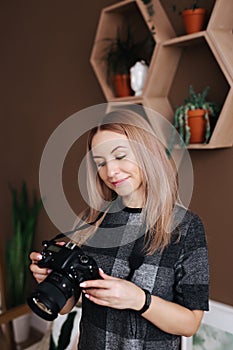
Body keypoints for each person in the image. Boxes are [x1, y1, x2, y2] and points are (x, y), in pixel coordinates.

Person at [30, 109, 209, 350]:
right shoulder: (92, 220)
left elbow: (190, 323)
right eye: (100, 163)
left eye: (120, 155)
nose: (110, 172)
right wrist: (51, 279)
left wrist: (139, 300)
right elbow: (67, 305)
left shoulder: (186, 227)